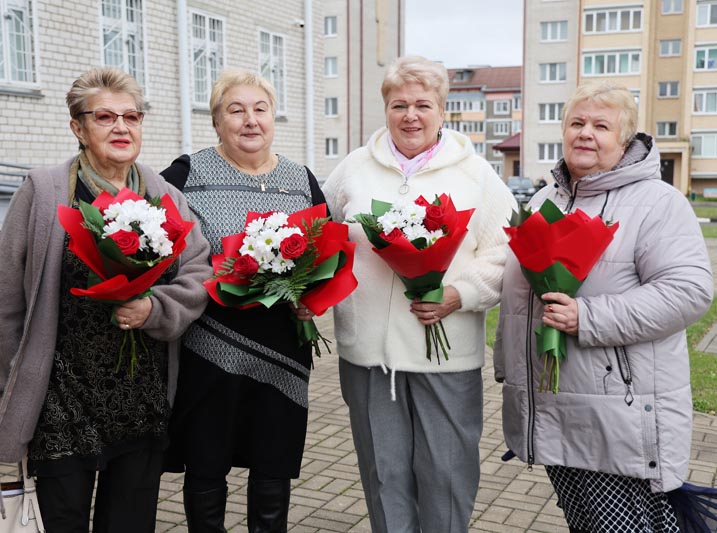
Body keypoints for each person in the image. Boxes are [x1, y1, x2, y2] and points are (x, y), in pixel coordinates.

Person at [494, 82, 714, 532]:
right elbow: (518, 295)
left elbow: (689, 291)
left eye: (601, 126)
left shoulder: (657, 203)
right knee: (585, 523)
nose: (585, 134)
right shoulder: (542, 201)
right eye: (577, 123)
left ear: (626, 139)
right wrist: (508, 366)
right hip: (554, 409)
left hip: (619, 415)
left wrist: (587, 317)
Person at [0, 67, 212, 533]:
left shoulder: (166, 195)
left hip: (141, 396)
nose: (121, 127)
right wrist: (9, 382)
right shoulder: (44, 191)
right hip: (60, 397)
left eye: (131, 117)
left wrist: (154, 308)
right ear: (78, 127)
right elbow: (8, 298)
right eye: (104, 117)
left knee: (129, 523)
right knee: (63, 520)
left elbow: (200, 274)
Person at [321, 56, 516, 532]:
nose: (411, 115)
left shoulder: (476, 174)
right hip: (369, 355)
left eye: (423, 105)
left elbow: (507, 252)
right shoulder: (353, 170)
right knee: (383, 475)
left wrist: (460, 293)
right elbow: (322, 239)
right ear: (385, 108)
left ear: (442, 110)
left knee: (447, 473)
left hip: (445, 354)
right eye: (399, 104)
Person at [161, 69, 326, 533]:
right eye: (236, 110)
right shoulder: (186, 175)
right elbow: (157, 249)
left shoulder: (301, 180)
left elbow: (325, 254)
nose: (250, 121)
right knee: (206, 461)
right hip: (208, 347)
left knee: (274, 459)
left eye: (260, 109)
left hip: (283, 349)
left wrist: (313, 298)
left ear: (274, 118)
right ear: (217, 121)